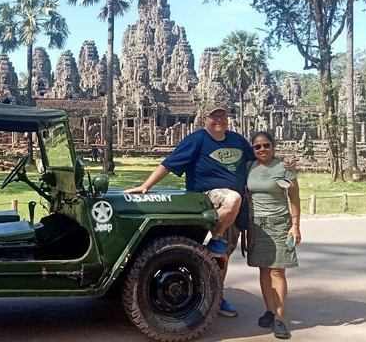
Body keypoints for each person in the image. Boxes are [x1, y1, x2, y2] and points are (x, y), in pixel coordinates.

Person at [124, 100, 295, 318]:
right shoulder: (197, 139)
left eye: (223, 116)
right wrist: (146, 185)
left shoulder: (237, 140)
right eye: (214, 116)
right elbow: (170, 163)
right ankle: (215, 236)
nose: (219, 119)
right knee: (231, 200)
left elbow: (261, 157)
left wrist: (285, 162)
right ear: (205, 119)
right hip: (208, 198)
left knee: (223, 253)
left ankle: (216, 296)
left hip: (234, 210)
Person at [248, 131, 301, 340]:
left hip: (280, 224)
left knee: (278, 272)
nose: (262, 149)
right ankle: (269, 310)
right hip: (257, 225)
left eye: (266, 145)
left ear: (273, 146)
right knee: (263, 269)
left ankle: (279, 318)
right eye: (257, 146)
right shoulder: (249, 167)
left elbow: (295, 197)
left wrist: (295, 226)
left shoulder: (284, 168)